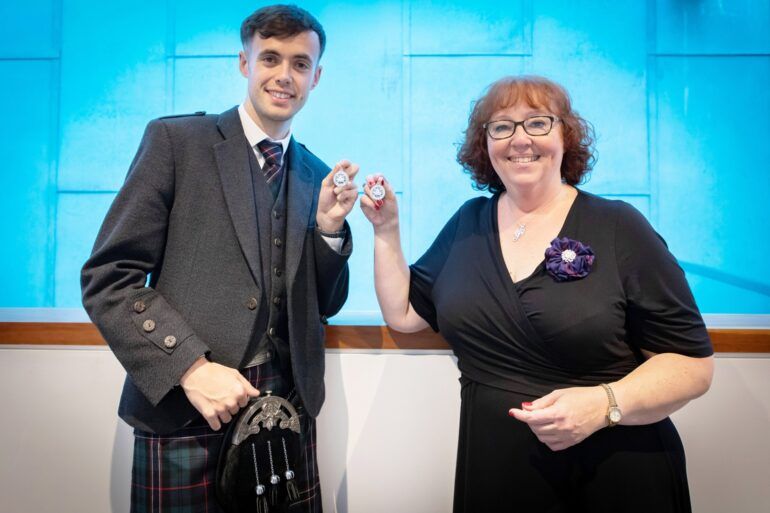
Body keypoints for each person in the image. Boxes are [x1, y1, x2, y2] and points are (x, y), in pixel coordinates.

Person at [360, 75, 714, 512]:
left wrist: (603, 404)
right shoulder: (468, 223)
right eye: (502, 126)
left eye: (537, 123)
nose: (520, 139)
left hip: (614, 471)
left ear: (566, 136)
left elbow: (693, 366)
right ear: (485, 144)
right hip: (498, 469)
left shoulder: (619, 226)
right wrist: (386, 230)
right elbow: (405, 312)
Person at [81, 5, 359, 512]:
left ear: (316, 77)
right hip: (186, 406)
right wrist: (189, 368)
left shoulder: (316, 175)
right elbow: (109, 278)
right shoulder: (177, 143)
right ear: (244, 63)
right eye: (270, 58)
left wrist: (329, 229)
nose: (284, 75)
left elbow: (327, 303)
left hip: (284, 410)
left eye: (300, 64)